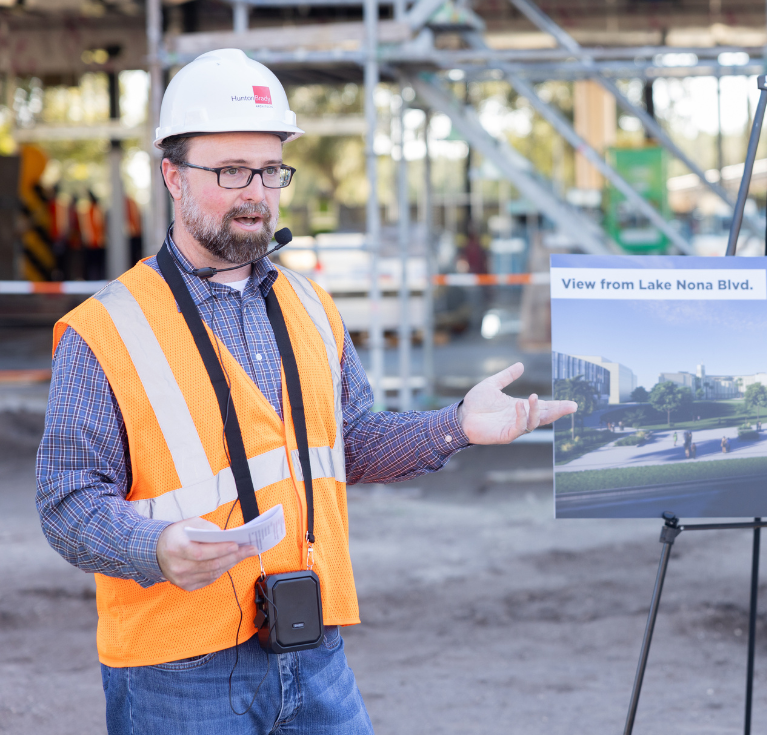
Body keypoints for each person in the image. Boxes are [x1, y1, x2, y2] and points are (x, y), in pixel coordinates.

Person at [34, 49, 575, 734]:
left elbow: (348, 444)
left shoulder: (312, 307)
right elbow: (67, 500)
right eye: (230, 170)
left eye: (269, 170)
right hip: (177, 672)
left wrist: (458, 425)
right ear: (172, 175)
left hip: (312, 648)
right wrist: (155, 545)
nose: (255, 190)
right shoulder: (104, 329)